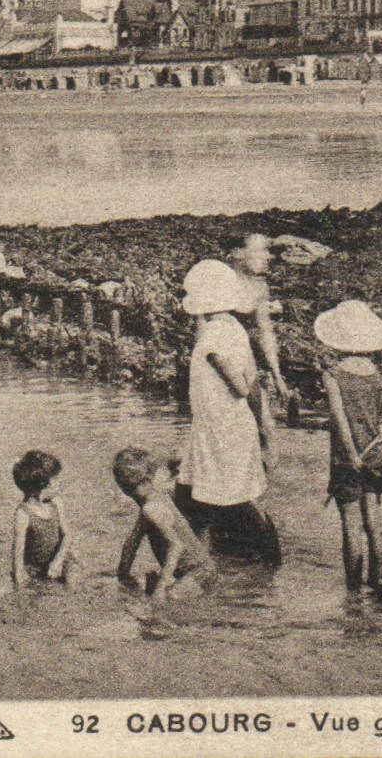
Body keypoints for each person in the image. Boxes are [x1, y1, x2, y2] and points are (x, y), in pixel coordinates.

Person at [175, 259, 282, 565]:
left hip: (220, 425)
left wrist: (241, 381)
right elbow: (250, 380)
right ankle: (224, 556)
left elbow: (239, 385)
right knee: (219, 493)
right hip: (227, 424)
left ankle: (204, 558)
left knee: (217, 496)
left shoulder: (212, 338)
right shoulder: (235, 329)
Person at [316, 300, 382, 591]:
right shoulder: (377, 374)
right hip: (373, 457)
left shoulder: (333, 375)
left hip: (347, 461)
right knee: (374, 521)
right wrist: (378, 438)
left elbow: (339, 419)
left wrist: (350, 454)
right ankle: (378, 581)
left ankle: (353, 589)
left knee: (351, 523)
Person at [114, 447, 209, 597]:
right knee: (155, 591)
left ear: (121, 486)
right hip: (200, 570)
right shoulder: (153, 501)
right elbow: (131, 543)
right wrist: (122, 576)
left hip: (199, 573)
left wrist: (161, 587)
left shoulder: (150, 508)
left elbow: (176, 545)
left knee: (168, 598)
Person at [227, 233, 292, 424]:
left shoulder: (260, 286)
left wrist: (277, 375)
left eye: (268, 251)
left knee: (263, 423)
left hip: (243, 355)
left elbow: (266, 332)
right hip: (216, 353)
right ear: (238, 253)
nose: (268, 257)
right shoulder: (220, 280)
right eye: (260, 250)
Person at [10, 450, 77, 589]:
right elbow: (18, 554)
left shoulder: (56, 503)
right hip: (34, 568)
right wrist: (19, 581)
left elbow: (67, 535)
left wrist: (58, 560)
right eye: (56, 479)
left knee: (73, 579)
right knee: (33, 591)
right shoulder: (23, 514)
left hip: (59, 559)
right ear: (43, 484)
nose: (60, 483)